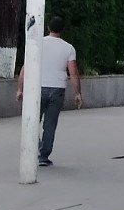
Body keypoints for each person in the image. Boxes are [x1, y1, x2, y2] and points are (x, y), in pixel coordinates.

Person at [15, 16, 82, 167]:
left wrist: (20, 89)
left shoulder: (38, 44)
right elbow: (73, 72)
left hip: (37, 88)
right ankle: (44, 156)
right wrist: (78, 93)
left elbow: (26, 68)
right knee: (50, 125)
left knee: (32, 120)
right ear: (62, 30)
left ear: (48, 28)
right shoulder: (68, 48)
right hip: (57, 89)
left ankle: (36, 148)